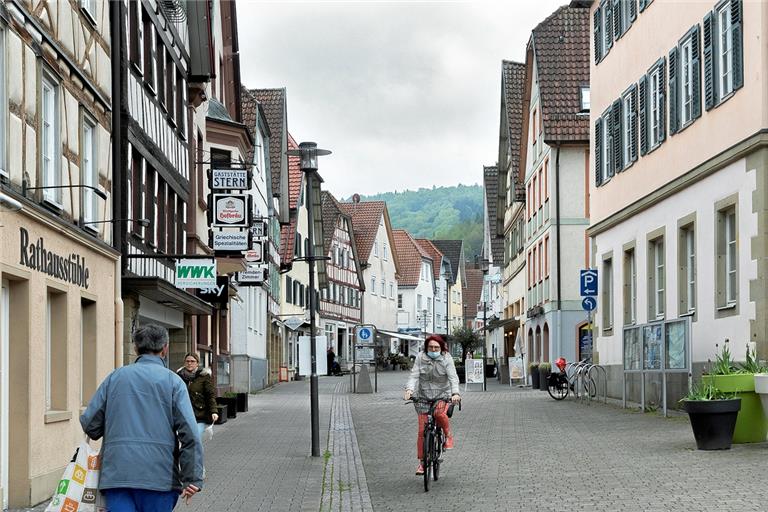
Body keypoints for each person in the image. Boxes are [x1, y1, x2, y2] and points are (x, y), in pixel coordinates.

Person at [80, 324, 203, 512]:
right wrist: (191, 478)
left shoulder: (115, 377)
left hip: (117, 475)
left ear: (136, 348)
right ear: (165, 349)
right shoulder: (173, 382)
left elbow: (90, 424)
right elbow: (190, 434)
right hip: (159, 476)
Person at [403, 334, 461, 476]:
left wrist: (455, 394)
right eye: (431, 347)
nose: (433, 349)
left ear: (441, 348)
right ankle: (422, 463)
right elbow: (414, 376)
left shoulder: (446, 358)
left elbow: (453, 378)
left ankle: (448, 435)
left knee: (439, 413)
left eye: (436, 347)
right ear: (426, 347)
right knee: (422, 431)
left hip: (442, 394)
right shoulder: (420, 357)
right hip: (423, 396)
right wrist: (409, 389)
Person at [177, 353, 219, 439]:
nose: (189, 363)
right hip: (183, 414)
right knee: (185, 440)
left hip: (199, 414)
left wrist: (214, 411)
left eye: (192, 361)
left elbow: (210, 395)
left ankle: (196, 452)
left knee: (195, 438)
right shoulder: (179, 376)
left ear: (197, 363)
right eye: (187, 361)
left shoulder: (204, 376)